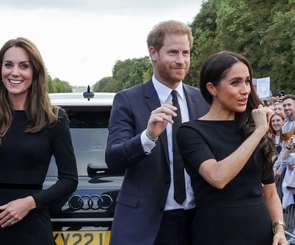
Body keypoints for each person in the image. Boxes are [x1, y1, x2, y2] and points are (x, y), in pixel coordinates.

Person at [105, 20, 209, 245]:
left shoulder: (203, 101)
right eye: (173, 52)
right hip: (148, 227)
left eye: (185, 53)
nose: (181, 60)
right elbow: (113, 158)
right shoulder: (128, 100)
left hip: (198, 224)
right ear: (153, 53)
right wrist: (148, 137)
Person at [0, 37, 78, 245]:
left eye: (24, 66)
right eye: (8, 65)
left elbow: (69, 179)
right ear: (0, 71)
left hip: (34, 225)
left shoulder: (54, 118)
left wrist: (30, 202)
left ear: (35, 73)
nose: (15, 72)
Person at [177, 51, 288, 245]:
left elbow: (270, 193)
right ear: (212, 88)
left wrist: (279, 229)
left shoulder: (251, 129)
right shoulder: (191, 132)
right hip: (215, 234)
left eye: (247, 81)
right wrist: (259, 131)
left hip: (260, 233)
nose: (245, 89)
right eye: (235, 82)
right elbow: (218, 177)